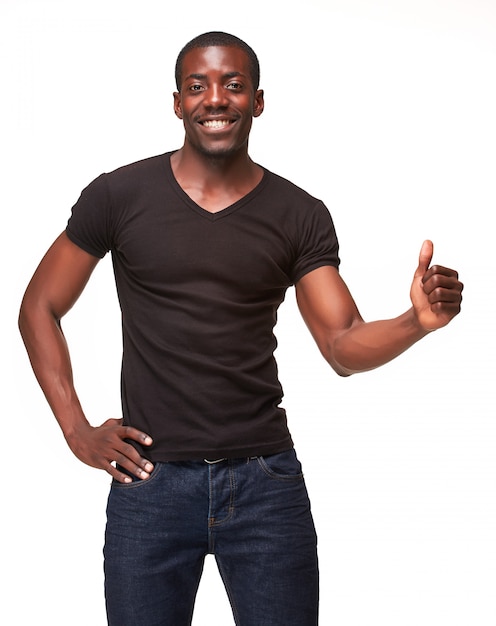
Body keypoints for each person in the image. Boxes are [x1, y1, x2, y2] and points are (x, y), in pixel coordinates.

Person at [18, 31, 463, 626]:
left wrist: (416, 322)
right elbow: (38, 306)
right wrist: (75, 430)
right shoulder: (119, 196)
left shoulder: (298, 213)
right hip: (148, 486)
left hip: (265, 486)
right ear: (177, 103)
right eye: (198, 86)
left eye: (232, 84)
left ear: (257, 100)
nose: (215, 99)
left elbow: (341, 345)